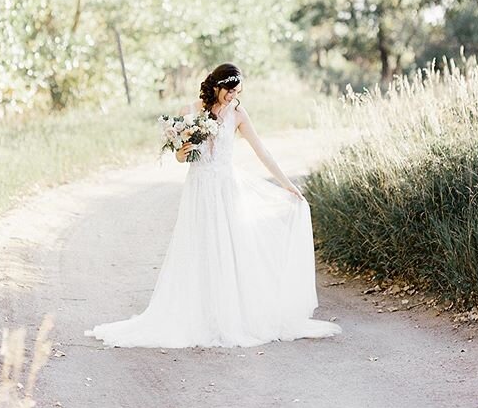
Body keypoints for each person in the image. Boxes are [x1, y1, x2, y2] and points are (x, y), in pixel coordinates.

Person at [84, 63, 342, 348]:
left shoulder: (238, 114)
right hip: (198, 190)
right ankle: (197, 315)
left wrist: (286, 184)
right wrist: (182, 152)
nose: (233, 96)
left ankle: (229, 315)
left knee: (229, 249)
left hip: (225, 189)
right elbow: (181, 160)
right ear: (217, 86)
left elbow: (261, 150)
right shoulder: (190, 111)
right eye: (229, 91)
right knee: (199, 248)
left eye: (237, 91)